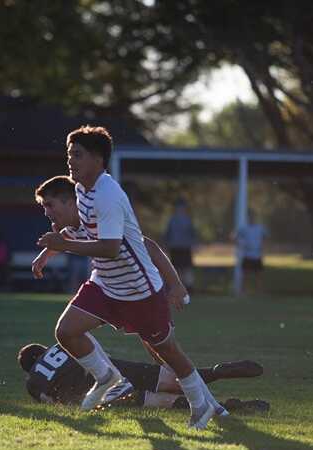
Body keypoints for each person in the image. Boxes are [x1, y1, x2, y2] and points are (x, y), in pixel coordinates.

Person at [32, 126, 225, 430]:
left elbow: (110, 248)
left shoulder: (108, 196)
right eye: (69, 154)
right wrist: (50, 252)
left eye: (77, 155)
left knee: (167, 352)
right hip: (106, 284)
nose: (71, 161)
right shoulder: (82, 189)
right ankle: (109, 378)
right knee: (66, 331)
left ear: (98, 159)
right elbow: (82, 231)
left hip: (138, 291)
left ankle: (203, 405)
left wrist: (174, 284)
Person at [17, 336, 267, 413]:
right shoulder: (59, 344)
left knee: (159, 401)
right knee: (176, 382)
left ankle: (225, 407)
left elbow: (54, 404)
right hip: (114, 369)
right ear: (43, 350)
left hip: (96, 393)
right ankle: (216, 372)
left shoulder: (33, 381)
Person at [163, 198, 197, 294]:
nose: (180, 208)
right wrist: (166, 244)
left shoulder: (188, 220)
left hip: (185, 247)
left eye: (181, 207)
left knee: (186, 269)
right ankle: (176, 288)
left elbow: (193, 233)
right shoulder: (172, 220)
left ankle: (189, 288)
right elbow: (167, 234)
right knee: (175, 268)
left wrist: (194, 243)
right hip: (175, 247)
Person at [234, 211, 268, 295]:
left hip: (257, 255)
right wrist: (240, 245)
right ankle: (242, 292)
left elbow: (266, 237)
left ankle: (259, 292)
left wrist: (263, 247)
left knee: (259, 275)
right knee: (245, 275)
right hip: (247, 255)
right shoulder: (244, 228)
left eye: (253, 217)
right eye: (250, 217)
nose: (251, 219)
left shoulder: (260, 228)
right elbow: (234, 236)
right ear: (248, 218)